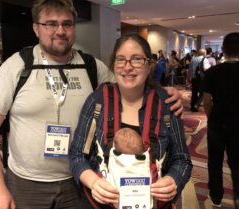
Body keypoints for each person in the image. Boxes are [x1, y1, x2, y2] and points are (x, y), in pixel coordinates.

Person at [0, 0, 183, 209]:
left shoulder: (92, 67)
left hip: (80, 179)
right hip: (27, 182)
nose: (60, 31)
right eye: (51, 24)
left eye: (67, 24)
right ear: (36, 28)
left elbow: (130, 84)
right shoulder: (17, 66)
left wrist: (164, 92)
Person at [70, 33, 192, 208]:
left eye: (136, 59)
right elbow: (77, 155)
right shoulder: (97, 101)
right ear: (113, 64)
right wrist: (93, 182)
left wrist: (174, 180)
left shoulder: (165, 104)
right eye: (121, 59)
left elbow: (182, 159)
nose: (127, 67)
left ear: (149, 65)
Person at [202, 32, 239, 209]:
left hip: (217, 123)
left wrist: (211, 118)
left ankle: (216, 197)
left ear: (223, 50)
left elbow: (207, 101)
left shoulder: (212, 72)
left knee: (214, 161)